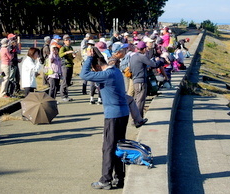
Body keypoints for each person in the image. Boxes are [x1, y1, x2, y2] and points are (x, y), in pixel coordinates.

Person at [80, 47, 129, 190]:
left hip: (113, 115)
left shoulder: (106, 74)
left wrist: (89, 58)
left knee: (108, 147)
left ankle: (105, 179)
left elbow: (84, 74)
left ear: (96, 66)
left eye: (95, 70)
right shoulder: (116, 71)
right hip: (123, 113)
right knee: (119, 146)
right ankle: (119, 177)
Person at [130, 41, 160, 117]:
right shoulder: (142, 57)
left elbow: (130, 69)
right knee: (140, 101)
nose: (146, 50)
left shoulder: (133, 56)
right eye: (146, 49)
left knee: (137, 99)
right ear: (143, 49)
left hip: (135, 80)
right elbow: (153, 64)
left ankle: (138, 118)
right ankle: (138, 119)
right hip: (141, 81)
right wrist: (158, 60)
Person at [59, 34, 75, 101]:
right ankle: (63, 96)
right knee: (64, 81)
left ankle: (66, 95)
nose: (68, 41)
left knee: (68, 81)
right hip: (65, 65)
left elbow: (71, 57)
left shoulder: (70, 47)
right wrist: (67, 52)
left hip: (70, 65)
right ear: (64, 41)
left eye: (69, 39)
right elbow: (60, 55)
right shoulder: (63, 48)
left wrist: (73, 56)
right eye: (66, 40)